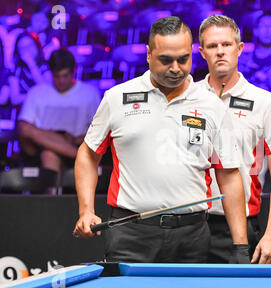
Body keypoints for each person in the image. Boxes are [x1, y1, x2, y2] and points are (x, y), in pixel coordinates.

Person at [72, 16, 250, 264]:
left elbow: (229, 175)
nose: (175, 68)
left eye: (183, 59)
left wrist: (240, 246)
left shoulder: (212, 105)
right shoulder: (117, 98)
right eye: (166, 60)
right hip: (131, 234)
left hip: (192, 236)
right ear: (148, 55)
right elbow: (88, 155)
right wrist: (86, 211)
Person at [198, 15, 271, 264]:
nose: (220, 51)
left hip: (241, 225)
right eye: (212, 46)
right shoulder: (187, 98)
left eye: (227, 45)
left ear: (239, 49)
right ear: (201, 52)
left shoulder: (265, 102)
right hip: (190, 224)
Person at [17, 48, 101, 175]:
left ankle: (73, 152)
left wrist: (76, 139)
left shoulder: (89, 94)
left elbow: (98, 131)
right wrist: (52, 137)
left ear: (74, 71)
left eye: (65, 76)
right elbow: (24, 129)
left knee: (49, 154)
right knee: (26, 130)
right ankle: (77, 155)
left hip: (76, 142)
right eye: (57, 76)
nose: (61, 81)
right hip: (40, 146)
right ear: (51, 73)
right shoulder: (37, 92)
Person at [8, 32, 51, 107]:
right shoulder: (16, 71)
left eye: (30, 46)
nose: (27, 50)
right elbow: (15, 99)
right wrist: (37, 96)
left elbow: (46, 91)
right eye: (23, 48)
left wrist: (32, 65)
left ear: (36, 46)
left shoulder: (45, 67)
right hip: (25, 113)